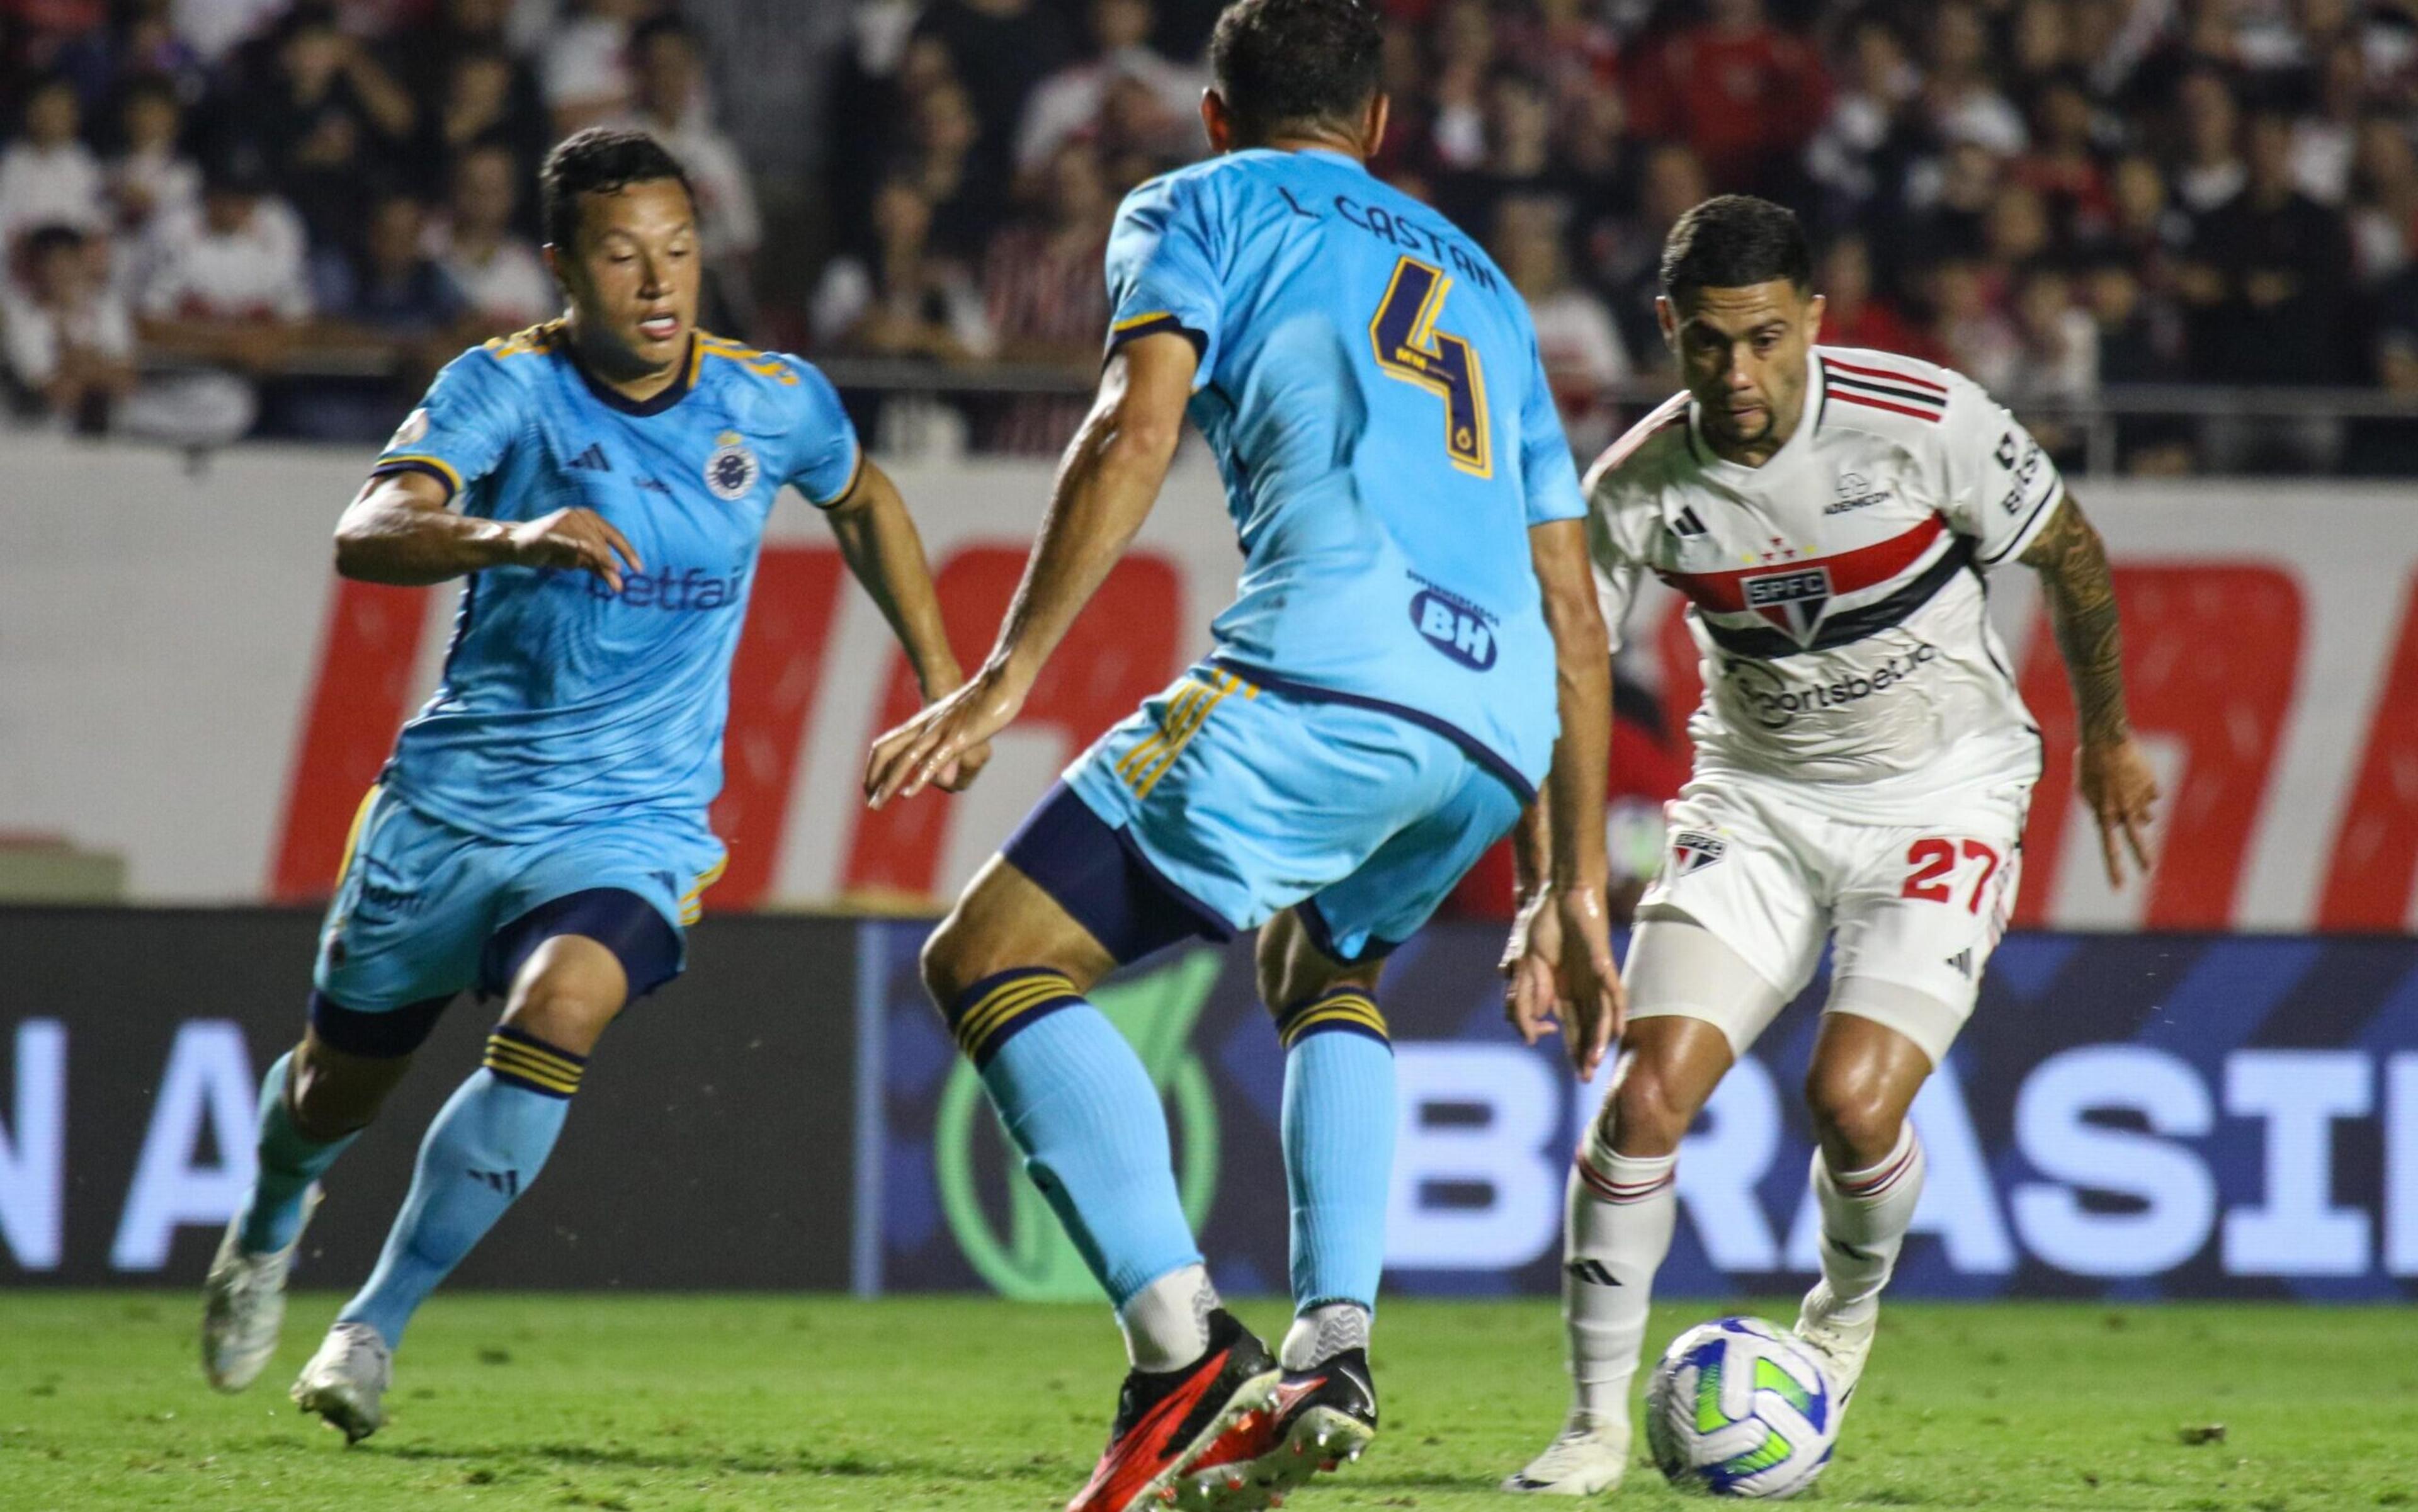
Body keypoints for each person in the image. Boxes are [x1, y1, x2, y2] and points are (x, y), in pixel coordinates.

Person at [861, 2, 1620, 1508]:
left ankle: (1179, 1354)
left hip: (1324, 671)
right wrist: (1571, 881)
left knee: (993, 960)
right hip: (1491, 731)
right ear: (1383, 128)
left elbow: (1132, 431)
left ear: (1216, 114)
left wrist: (1009, 672)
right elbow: (1578, 615)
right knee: (1322, 971)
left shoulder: (1194, 202)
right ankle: (1334, 1343)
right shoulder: (1490, 289)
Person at [198, 128, 981, 1442]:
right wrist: (513, 532)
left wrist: (946, 674)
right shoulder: (503, 388)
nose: (660, 282)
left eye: (679, 251)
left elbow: (864, 500)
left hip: (632, 819)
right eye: (623, 257)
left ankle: (369, 1330)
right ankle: (274, 1216)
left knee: (567, 1004)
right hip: (454, 808)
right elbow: (367, 533)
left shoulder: (771, 397)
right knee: (337, 1090)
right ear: (565, 266)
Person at [1502, 196, 2159, 1494]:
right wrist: (1553, 890)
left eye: (1761, 339)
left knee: (1852, 1101)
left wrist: (2110, 736)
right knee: (1642, 1097)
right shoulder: (1636, 487)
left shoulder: (1928, 422)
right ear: (1668, 331)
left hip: (1944, 795)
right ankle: (1588, 1426)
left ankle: (1841, 1319)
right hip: (1752, 804)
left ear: (1812, 319)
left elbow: (2072, 555)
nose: (1735, 375)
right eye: (1704, 344)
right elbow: (1559, 687)